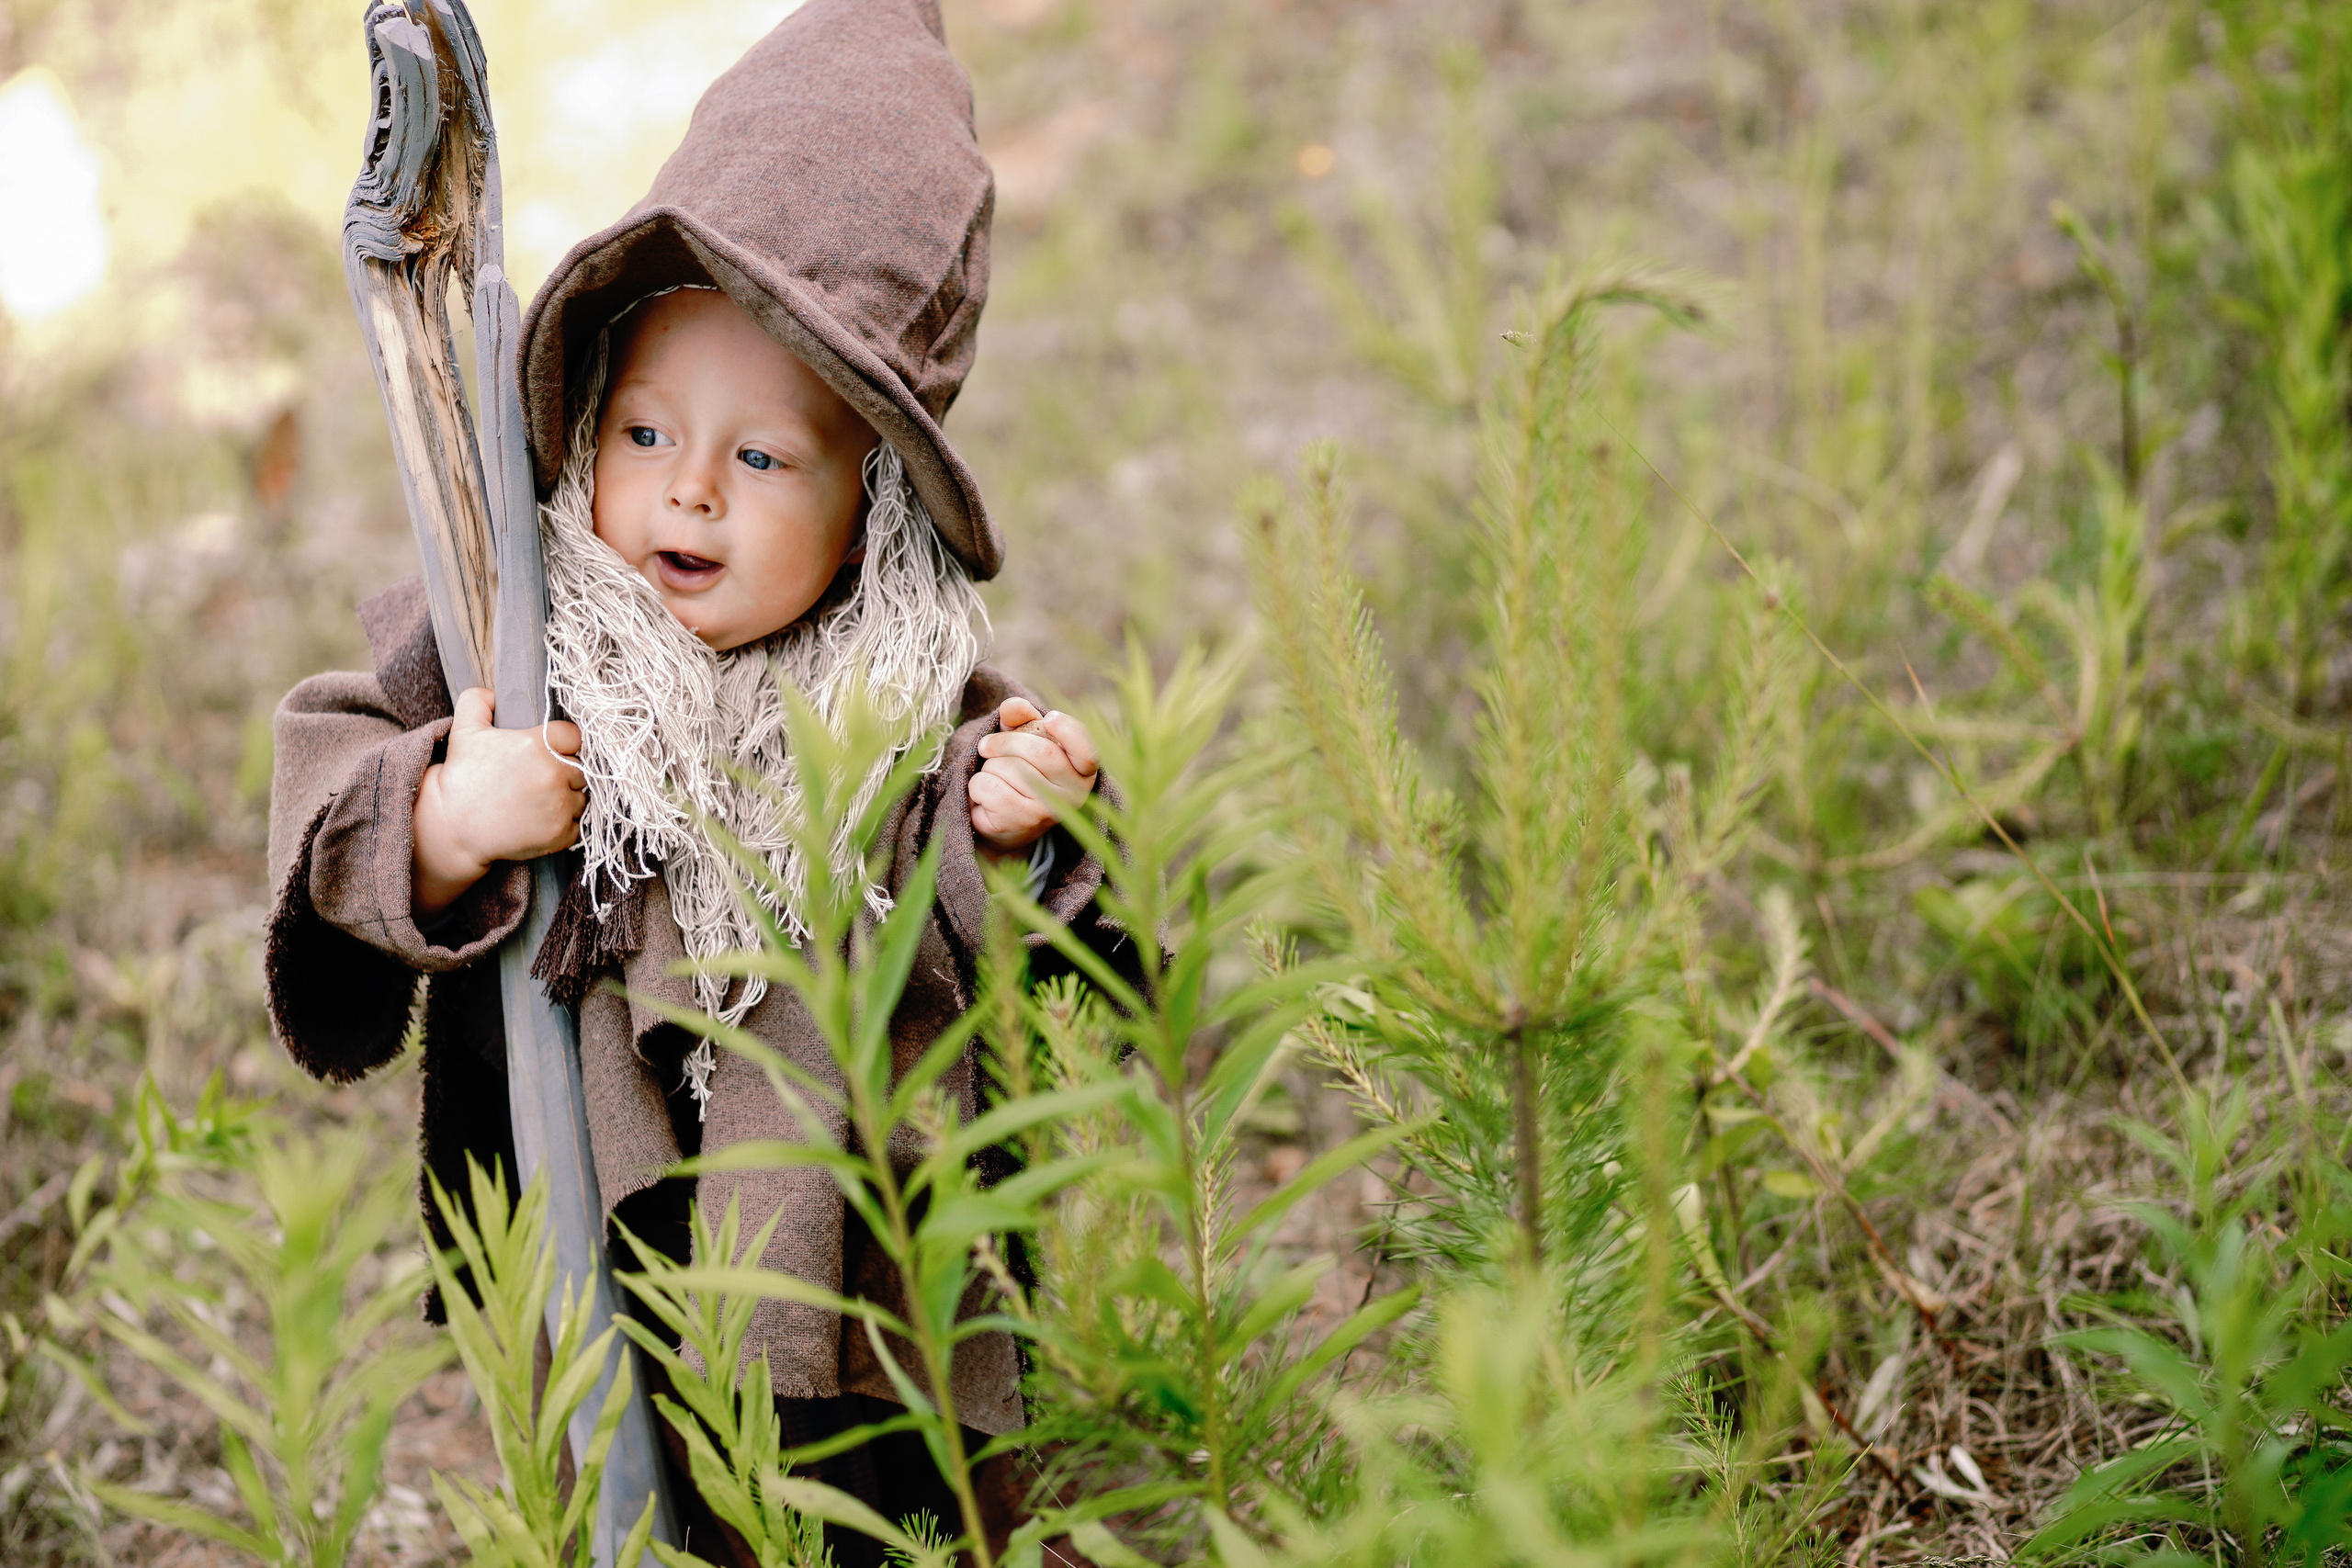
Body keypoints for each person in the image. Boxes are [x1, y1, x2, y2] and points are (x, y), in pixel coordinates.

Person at [263, 2, 1122, 1560]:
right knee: (624, 1502)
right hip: (604, 1221)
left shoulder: (911, 695)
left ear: (873, 510)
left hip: (860, 1281)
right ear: (588, 415)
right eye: (647, 428)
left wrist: (1027, 834)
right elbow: (326, 769)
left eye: (764, 458)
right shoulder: (515, 642)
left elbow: (1060, 947)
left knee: (883, 1519)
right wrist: (449, 817)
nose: (688, 487)